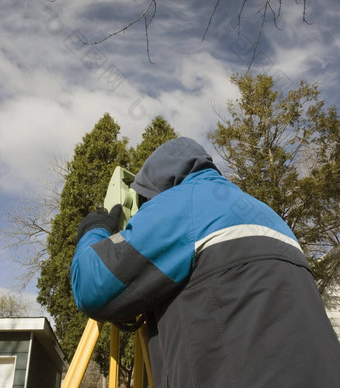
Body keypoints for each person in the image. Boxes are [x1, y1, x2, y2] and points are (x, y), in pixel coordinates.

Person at [71, 137, 340, 387]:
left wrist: (94, 230)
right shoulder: (266, 213)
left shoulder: (180, 205)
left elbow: (91, 285)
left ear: (156, 188)